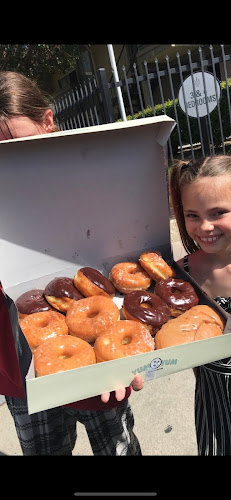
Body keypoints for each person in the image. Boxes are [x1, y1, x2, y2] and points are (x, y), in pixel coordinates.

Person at [0, 70, 144, 456]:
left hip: (97, 361)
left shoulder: (89, 182)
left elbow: (119, 265)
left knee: (118, 449)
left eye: (19, 143)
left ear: (48, 121)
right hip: (21, 371)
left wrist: (127, 352)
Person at [170, 154, 231, 456]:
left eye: (218, 212)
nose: (205, 227)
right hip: (215, 404)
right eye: (193, 215)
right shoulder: (181, 275)